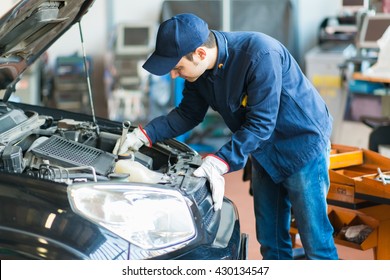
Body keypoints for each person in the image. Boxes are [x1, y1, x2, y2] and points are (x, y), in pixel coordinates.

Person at [113, 13, 338, 260]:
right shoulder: (199, 73)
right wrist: (145, 135)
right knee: (271, 243)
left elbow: (262, 122)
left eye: (178, 67)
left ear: (199, 53)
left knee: (316, 244)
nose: (174, 75)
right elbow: (188, 114)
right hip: (262, 151)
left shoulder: (260, 55)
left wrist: (220, 161)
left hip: (301, 146)